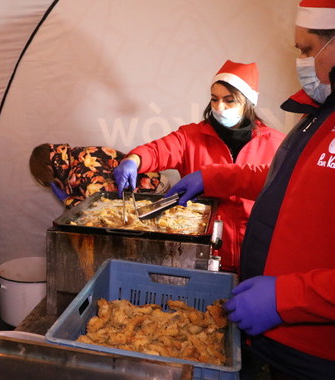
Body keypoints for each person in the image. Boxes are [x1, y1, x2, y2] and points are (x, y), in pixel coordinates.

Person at [166, 1, 335, 378]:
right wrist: (213, 177)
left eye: (308, 50)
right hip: (283, 342)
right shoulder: (320, 115)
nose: (302, 63)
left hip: (318, 353)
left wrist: (286, 297)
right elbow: (281, 180)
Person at [114, 60, 285, 273]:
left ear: (248, 102)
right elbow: (158, 150)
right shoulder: (191, 137)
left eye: (229, 100)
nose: (219, 107)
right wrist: (134, 160)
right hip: (201, 251)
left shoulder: (276, 144)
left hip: (254, 250)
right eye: (214, 99)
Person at [29, 143, 169, 208]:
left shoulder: (82, 174)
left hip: (153, 190)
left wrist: (68, 200)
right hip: (155, 180)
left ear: (49, 168)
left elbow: (101, 209)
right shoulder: (75, 155)